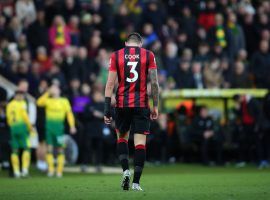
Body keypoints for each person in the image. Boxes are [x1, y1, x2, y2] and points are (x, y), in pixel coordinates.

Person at [104, 32, 159, 191]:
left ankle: (126, 171)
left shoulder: (116, 55)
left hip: (122, 104)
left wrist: (107, 109)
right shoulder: (148, 55)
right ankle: (136, 183)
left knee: (122, 138)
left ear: (126, 43)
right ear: (140, 44)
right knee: (140, 143)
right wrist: (155, 105)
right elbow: (154, 83)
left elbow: (109, 84)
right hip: (142, 104)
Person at [37, 84, 76, 177]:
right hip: (49, 129)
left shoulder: (64, 101)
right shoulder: (48, 100)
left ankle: (59, 171)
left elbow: (69, 114)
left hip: (60, 129)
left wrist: (72, 126)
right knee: (49, 149)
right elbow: (38, 102)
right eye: (53, 88)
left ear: (59, 90)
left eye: (56, 88)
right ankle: (51, 170)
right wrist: (47, 92)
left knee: (60, 149)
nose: (54, 89)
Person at [6, 90, 33, 178]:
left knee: (15, 150)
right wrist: (30, 127)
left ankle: (16, 172)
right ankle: (24, 170)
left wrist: (12, 127)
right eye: (20, 95)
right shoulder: (22, 103)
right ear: (16, 96)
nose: (21, 97)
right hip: (21, 127)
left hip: (13, 128)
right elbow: (25, 116)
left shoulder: (9, 105)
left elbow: (8, 118)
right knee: (27, 148)